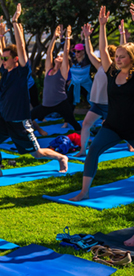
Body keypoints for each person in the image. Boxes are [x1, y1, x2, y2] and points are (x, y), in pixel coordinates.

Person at [0, 4, 68, 178]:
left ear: (15, 59)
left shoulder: (21, 72)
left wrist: (15, 23)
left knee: (36, 153)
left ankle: (61, 157)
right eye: (2, 58)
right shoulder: (5, 70)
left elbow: (20, 45)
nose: (2, 60)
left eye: (6, 58)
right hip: (5, 119)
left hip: (20, 122)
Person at [69, 7, 134, 201]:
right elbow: (104, 50)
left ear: (132, 59)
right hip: (112, 126)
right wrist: (102, 26)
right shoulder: (112, 72)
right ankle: (84, 191)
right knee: (93, 151)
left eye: (122, 57)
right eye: (117, 56)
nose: (118, 59)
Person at [30, 25, 82, 132]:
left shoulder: (63, 71)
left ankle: (84, 138)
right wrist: (54, 37)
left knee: (73, 121)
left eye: (61, 57)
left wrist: (67, 37)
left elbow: (66, 51)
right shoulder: (49, 69)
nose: (58, 57)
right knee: (29, 117)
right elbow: (49, 53)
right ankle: (35, 132)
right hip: (46, 105)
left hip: (61, 103)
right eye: (58, 56)